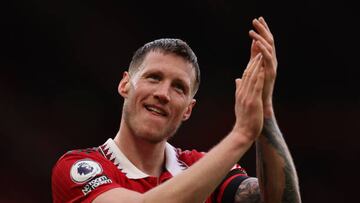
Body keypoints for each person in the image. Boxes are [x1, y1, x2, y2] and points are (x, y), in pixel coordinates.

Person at [51, 17, 301, 203]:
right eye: (153, 77)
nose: (163, 94)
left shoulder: (202, 167)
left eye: (179, 88)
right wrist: (242, 135)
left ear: (188, 110)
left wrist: (264, 111)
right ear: (125, 84)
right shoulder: (79, 167)